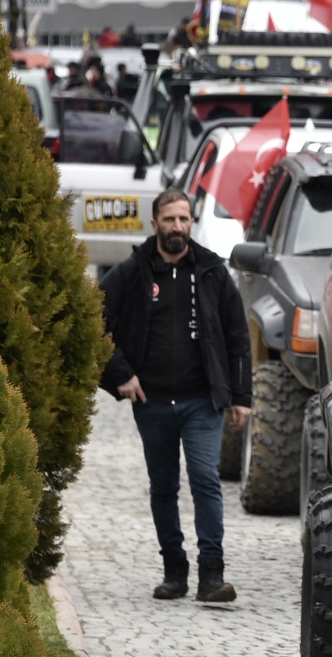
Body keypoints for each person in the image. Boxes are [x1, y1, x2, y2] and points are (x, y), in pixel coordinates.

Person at [98, 190, 252, 603]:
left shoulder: (212, 272)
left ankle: (212, 574)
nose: (177, 227)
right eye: (170, 220)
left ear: (191, 223)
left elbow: (238, 337)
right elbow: (92, 319)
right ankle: (174, 570)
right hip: (151, 403)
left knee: (205, 479)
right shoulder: (132, 271)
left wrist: (241, 396)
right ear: (155, 225)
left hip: (201, 401)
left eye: (184, 219)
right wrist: (121, 374)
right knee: (163, 487)